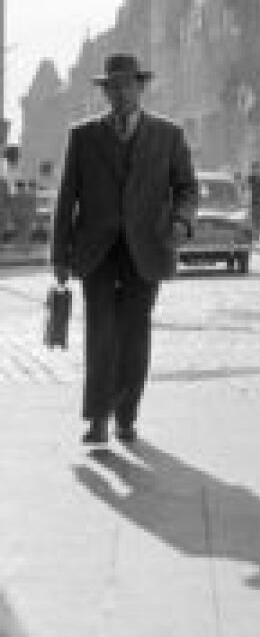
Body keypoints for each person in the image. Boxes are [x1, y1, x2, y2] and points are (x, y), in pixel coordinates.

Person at [50, 52, 198, 446]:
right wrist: (59, 256)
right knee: (100, 333)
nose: (120, 93)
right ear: (105, 91)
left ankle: (126, 417)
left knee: (135, 335)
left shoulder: (168, 134)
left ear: (140, 87)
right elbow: (66, 199)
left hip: (146, 248)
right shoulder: (83, 136)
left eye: (127, 85)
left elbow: (187, 187)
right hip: (96, 250)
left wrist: (182, 221)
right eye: (112, 86)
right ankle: (98, 418)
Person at [247, 161, 260, 239]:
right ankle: (252, 234)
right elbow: (246, 189)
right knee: (251, 220)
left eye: (256, 168)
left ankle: (256, 235)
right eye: (254, 168)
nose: (255, 170)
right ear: (252, 169)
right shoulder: (249, 179)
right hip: (250, 203)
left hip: (259, 203)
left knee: (258, 220)